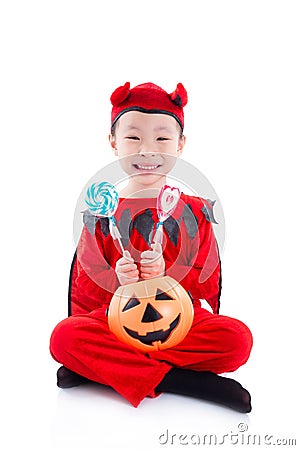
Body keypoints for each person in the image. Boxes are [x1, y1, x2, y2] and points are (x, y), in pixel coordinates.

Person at [50, 82, 253, 413]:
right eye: (133, 137)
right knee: (64, 338)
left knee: (237, 340)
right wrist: (119, 280)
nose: (148, 150)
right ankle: (182, 382)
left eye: (162, 139)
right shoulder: (102, 215)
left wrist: (168, 276)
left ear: (180, 144)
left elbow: (204, 285)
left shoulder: (193, 213)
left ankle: (107, 369)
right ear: (113, 143)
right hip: (118, 322)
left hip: (178, 319)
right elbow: (86, 292)